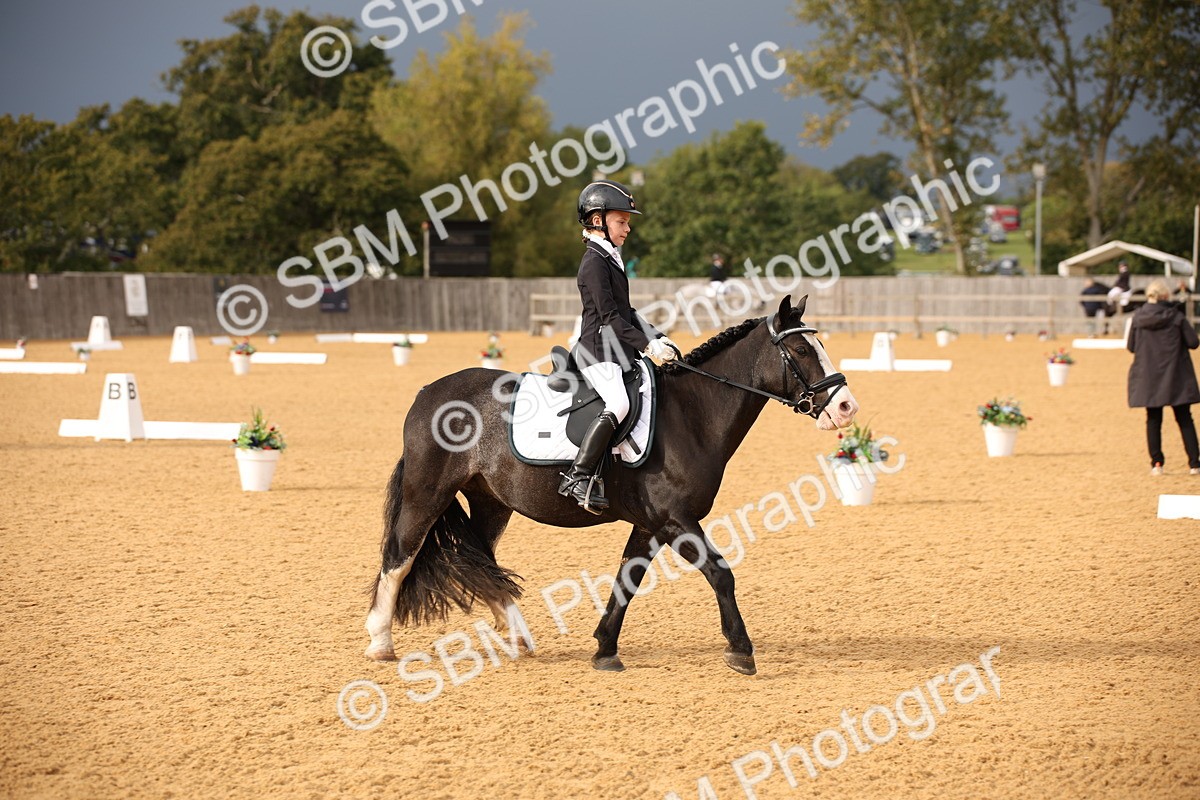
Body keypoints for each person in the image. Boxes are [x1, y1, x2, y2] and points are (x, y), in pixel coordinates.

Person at [562, 179, 679, 513]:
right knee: (619, 403)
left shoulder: (609, 257)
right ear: (598, 220)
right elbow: (611, 318)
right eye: (622, 221)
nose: (628, 228)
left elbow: (628, 312)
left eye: (627, 222)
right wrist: (647, 346)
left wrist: (656, 336)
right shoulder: (594, 262)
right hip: (597, 351)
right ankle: (579, 475)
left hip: (616, 349)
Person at [1127, 279, 1200, 475]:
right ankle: (1194, 464)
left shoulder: (1138, 318)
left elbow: (1131, 347)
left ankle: (1157, 464)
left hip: (1150, 376)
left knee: (1153, 419)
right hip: (1176, 374)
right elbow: (1194, 342)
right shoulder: (1176, 316)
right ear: (1166, 296)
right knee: (1185, 418)